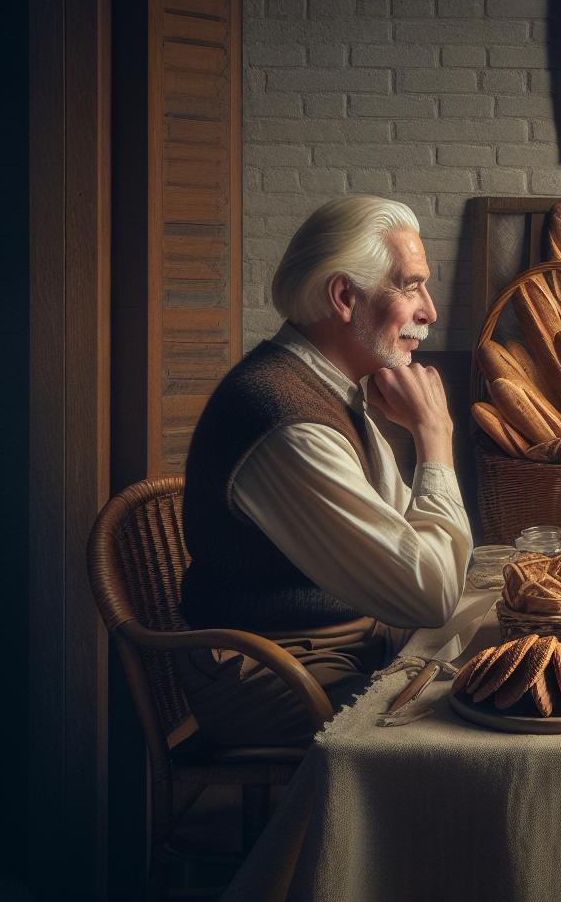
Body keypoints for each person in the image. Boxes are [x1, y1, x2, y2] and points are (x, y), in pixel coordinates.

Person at [175, 195, 472, 746]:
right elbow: (429, 593)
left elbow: (409, 546)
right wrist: (435, 434)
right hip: (278, 674)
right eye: (410, 287)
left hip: (346, 646)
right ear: (344, 297)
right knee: (467, 728)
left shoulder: (329, 390)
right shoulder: (286, 419)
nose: (430, 312)